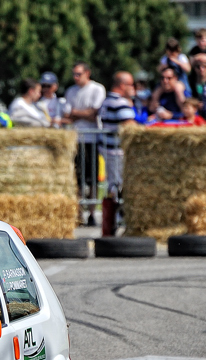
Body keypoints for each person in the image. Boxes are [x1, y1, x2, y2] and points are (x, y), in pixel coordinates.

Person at [65, 62, 106, 227]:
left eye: (79, 74)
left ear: (87, 73)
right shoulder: (71, 91)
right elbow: (69, 114)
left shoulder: (97, 89)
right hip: (76, 140)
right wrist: (83, 114)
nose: (76, 77)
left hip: (92, 140)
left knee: (93, 179)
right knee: (78, 179)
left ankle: (91, 213)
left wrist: (77, 113)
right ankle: (79, 213)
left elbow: (94, 113)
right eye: (74, 74)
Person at [98, 71, 136, 237]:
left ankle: (111, 222)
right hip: (117, 151)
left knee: (113, 184)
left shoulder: (106, 101)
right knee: (119, 186)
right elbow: (130, 125)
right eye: (131, 85)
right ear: (122, 85)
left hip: (108, 149)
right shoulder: (119, 102)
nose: (133, 88)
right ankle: (118, 220)